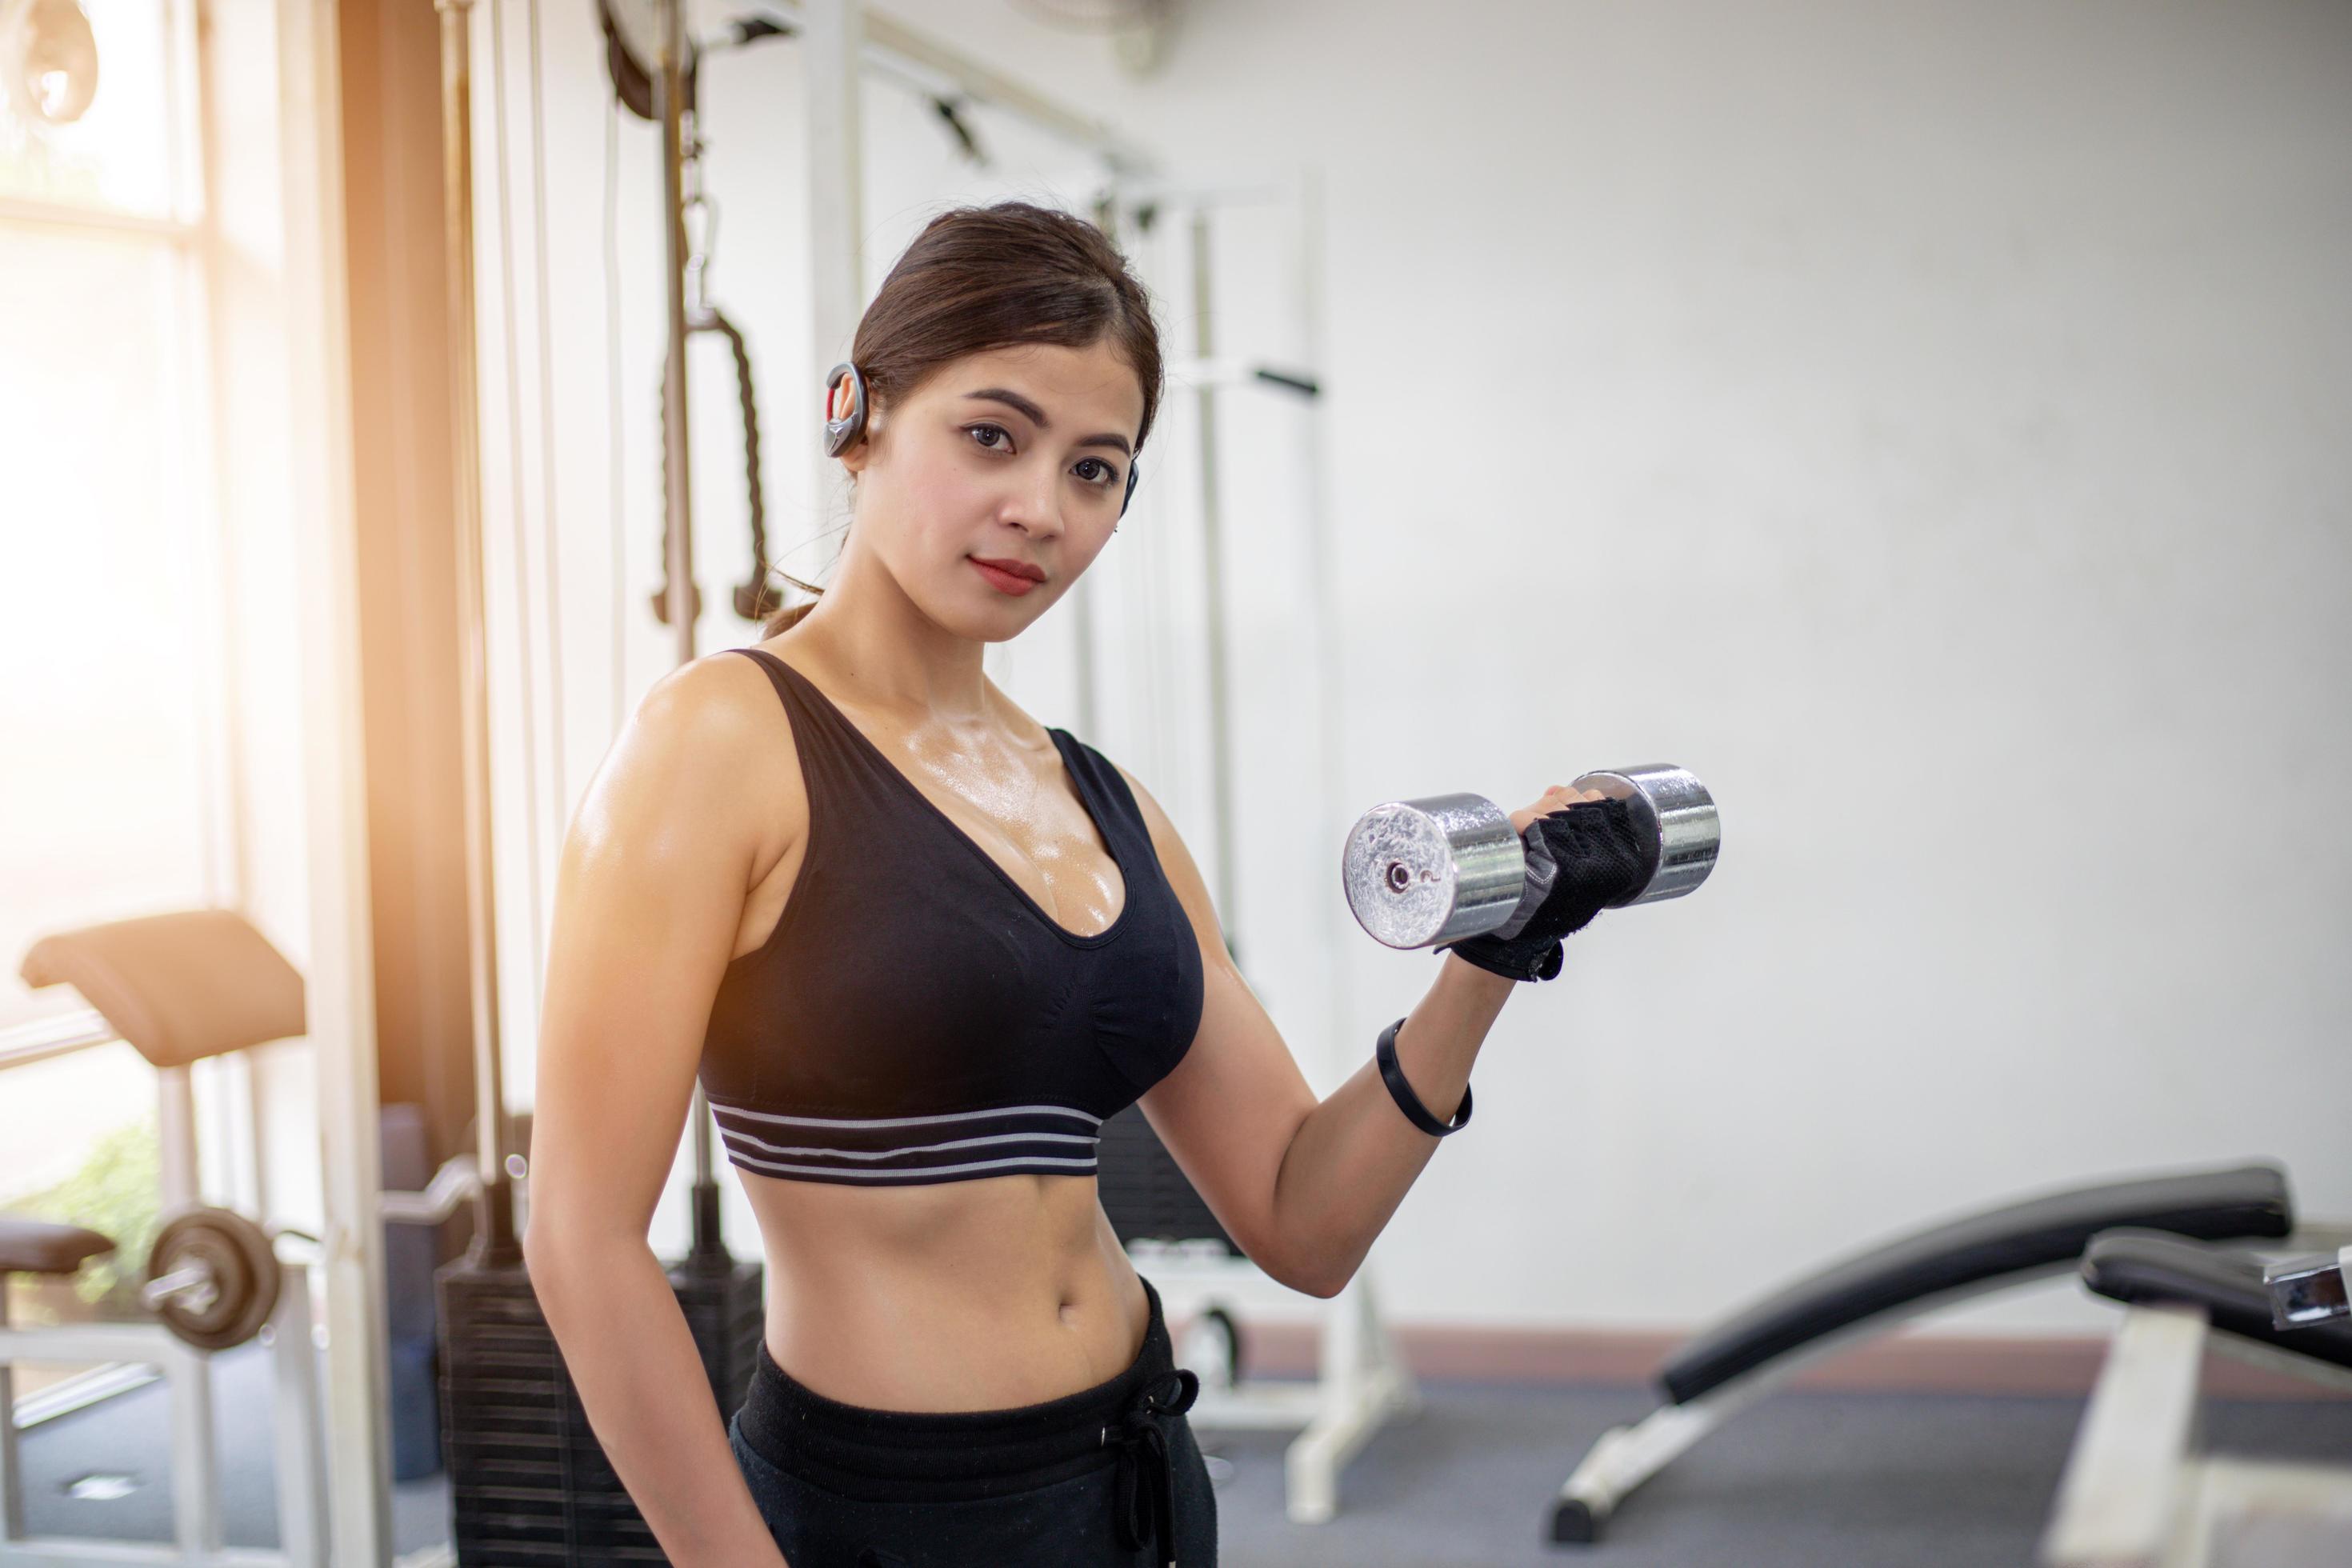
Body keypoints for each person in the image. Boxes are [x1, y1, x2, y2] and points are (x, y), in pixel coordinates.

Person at [525, 200, 1648, 1568]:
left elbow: (1305, 1221)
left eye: (1095, 470)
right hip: (897, 1512)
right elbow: (580, 1239)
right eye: (992, 435)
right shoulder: (719, 744)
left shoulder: (1104, 805)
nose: (1039, 511)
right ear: (858, 415)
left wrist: (1495, 946)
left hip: (1138, 1478)